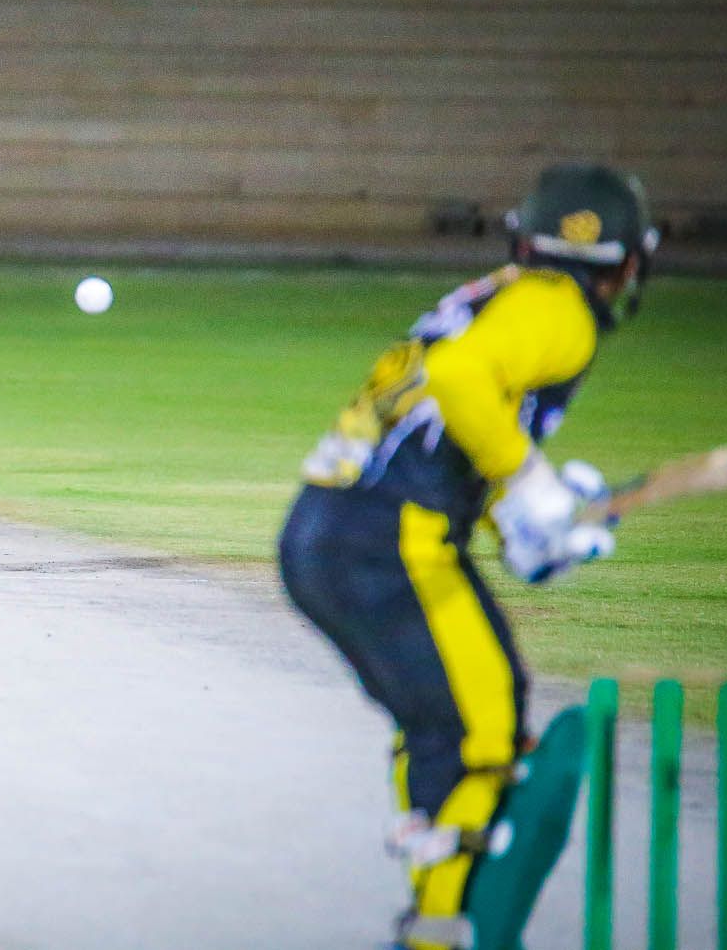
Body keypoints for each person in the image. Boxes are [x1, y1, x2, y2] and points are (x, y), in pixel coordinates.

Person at [277, 163, 660, 949]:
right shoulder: (560, 310)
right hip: (388, 540)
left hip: (326, 529)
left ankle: (433, 919)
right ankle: (438, 936)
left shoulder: (496, 296)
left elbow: (440, 421)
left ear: (523, 238)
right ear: (628, 262)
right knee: (481, 734)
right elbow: (458, 379)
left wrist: (514, 522)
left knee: (440, 725)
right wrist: (531, 481)